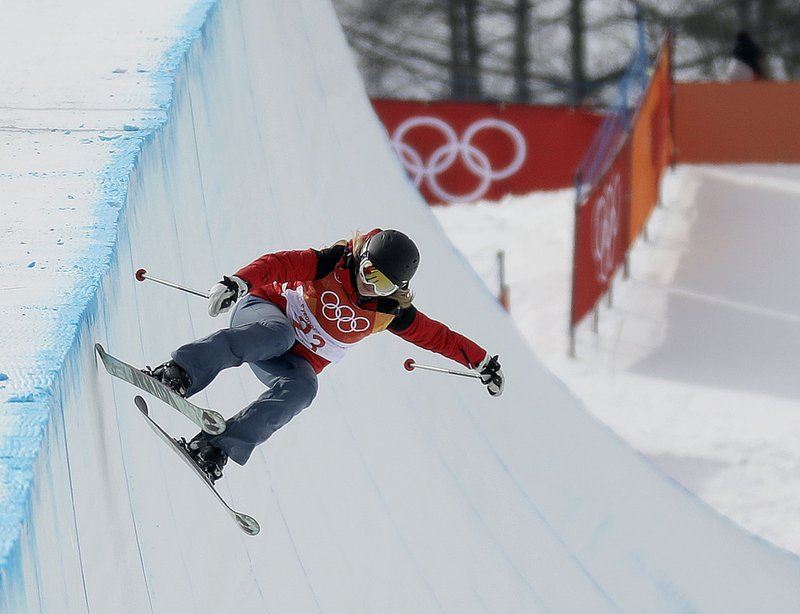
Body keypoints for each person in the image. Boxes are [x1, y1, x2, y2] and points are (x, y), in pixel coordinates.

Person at [143, 229, 505, 483]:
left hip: (289, 360)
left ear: (398, 290)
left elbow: (437, 336)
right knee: (279, 333)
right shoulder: (332, 263)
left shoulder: (389, 312)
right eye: (368, 272)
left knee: (304, 387)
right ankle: (179, 372)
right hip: (264, 314)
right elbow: (280, 263)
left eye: (382, 284)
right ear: (360, 259)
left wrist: (481, 361)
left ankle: (215, 448)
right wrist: (239, 282)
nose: (369, 285)